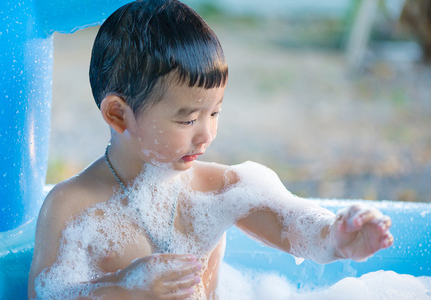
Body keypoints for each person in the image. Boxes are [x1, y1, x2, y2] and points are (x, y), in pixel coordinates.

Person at [27, 0, 394, 299]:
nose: (206, 135)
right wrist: (122, 289)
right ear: (118, 115)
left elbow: (291, 229)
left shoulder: (217, 189)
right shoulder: (71, 206)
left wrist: (336, 239)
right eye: (188, 120)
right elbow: (46, 294)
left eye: (215, 112)